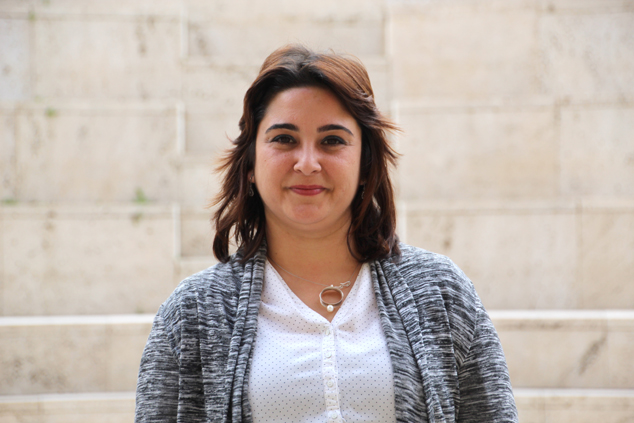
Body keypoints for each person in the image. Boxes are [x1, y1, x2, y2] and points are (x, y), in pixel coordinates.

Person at [135, 44, 518, 423]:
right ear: (250, 163)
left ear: (365, 163)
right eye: (284, 139)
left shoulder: (441, 293)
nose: (307, 163)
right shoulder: (192, 312)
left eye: (332, 140)